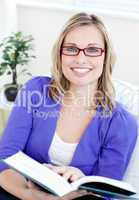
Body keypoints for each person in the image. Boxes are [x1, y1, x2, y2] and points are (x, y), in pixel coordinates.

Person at [0, 12, 138, 200]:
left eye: (92, 49)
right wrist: (30, 195)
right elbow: (5, 157)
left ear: (105, 57)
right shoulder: (35, 91)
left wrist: (81, 179)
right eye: (71, 49)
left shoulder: (122, 123)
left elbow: (107, 192)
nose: (80, 59)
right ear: (60, 54)